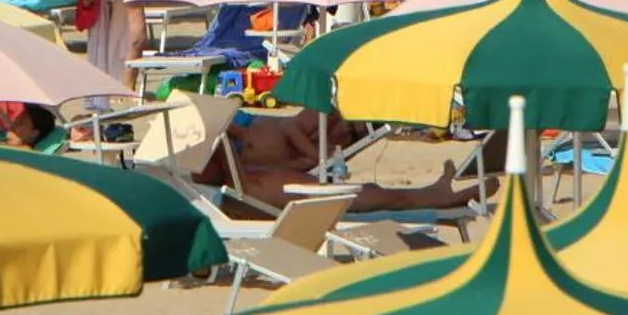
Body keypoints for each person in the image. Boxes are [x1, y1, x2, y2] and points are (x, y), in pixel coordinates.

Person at [196, 109, 492, 214]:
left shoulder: (339, 138)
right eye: (353, 128)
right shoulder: (325, 115)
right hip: (246, 178)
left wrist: (316, 160)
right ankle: (436, 195)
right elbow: (291, 128)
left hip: (257, 176)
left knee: (358, 194)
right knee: (357, 196)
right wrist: (316, 156)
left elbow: (308, 167)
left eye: (354, 134)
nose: (346, 134)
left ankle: (435, 194)